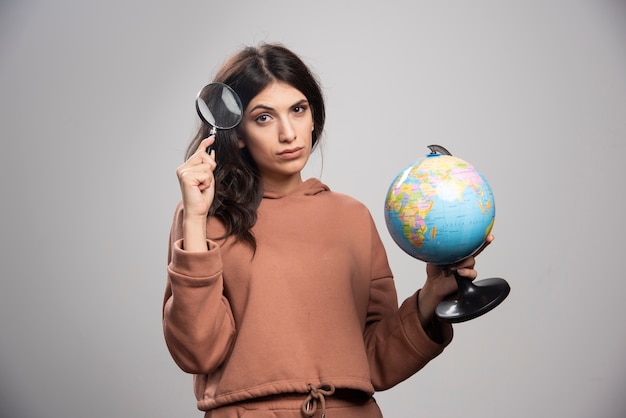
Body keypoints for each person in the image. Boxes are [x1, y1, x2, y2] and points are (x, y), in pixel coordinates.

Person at [163, 43, 493, 418]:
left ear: (314, 116)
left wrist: (431, 296)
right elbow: (196, 350)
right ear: (237, 134)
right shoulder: (208, 217)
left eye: (298, 110)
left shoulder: (352, 217)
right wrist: (193, 219)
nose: (288, 133)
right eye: (264, 118)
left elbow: (372, 359)